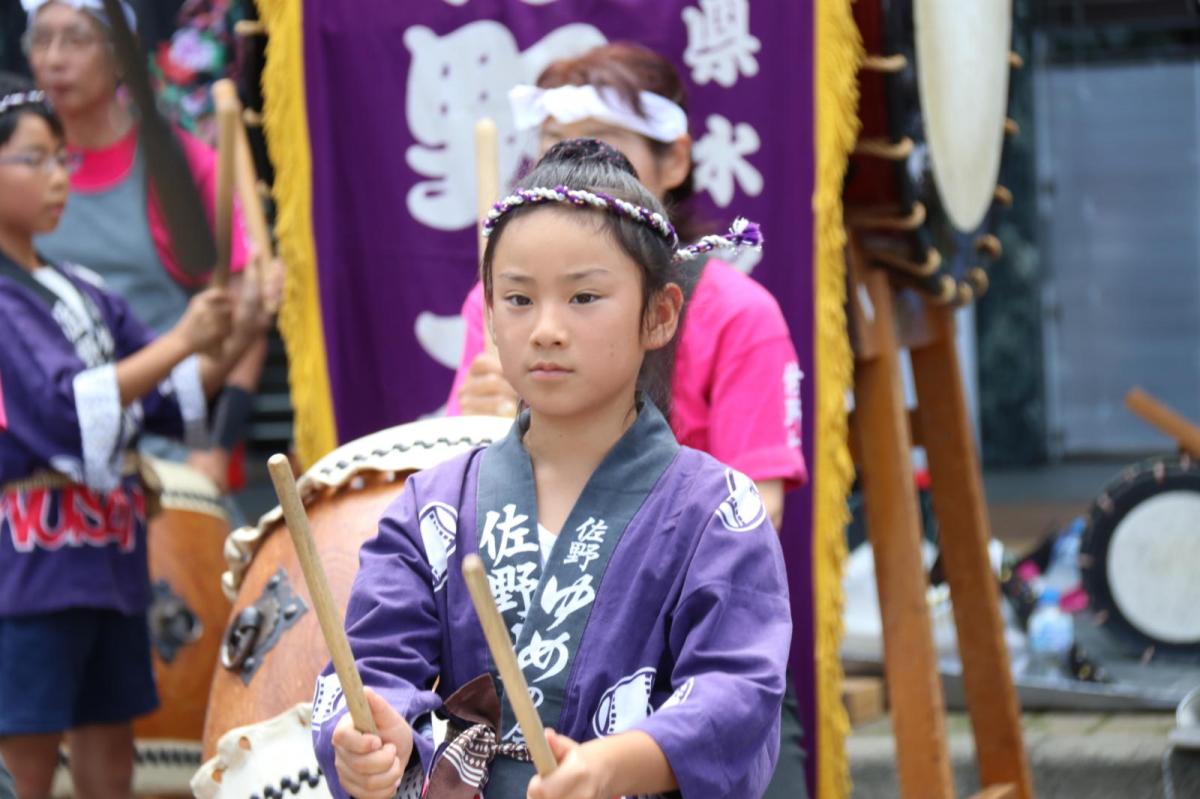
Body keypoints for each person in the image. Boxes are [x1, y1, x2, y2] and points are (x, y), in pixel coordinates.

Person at [313, 139, 791, 799]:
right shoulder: (433, 504)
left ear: (659, 315)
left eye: (584, 297)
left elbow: (739, 690)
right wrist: (371, 734)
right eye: (517, 299)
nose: (546, 329)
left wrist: (616, 763)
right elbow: (366, 669)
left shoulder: (717, 511)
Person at [0, 74, 267, 798]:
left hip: (108, 547)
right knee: (24, 745)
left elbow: (163, 392)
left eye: (62, 159)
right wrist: (184, 338)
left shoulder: (80, 287)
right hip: (28, 556)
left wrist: (238, 322)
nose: (60, 176)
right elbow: (63, 404)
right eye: (35, 160)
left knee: (109, 732)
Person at [448, 43, 806, 532]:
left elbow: (754, 514)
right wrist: (475, 430)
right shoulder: (496, 301)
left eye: (605, 149)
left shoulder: (739, 313)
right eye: (555, 146)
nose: (579, 174)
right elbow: (456, 505)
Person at [22, 0, 279, 494]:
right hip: (38, 466)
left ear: (123, 51)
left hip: (161, 458)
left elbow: (245, 322)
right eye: (41, 40)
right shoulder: (11, 174)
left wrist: (216, 446)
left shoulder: (179, 165)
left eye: (75, 39)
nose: (53, 59)